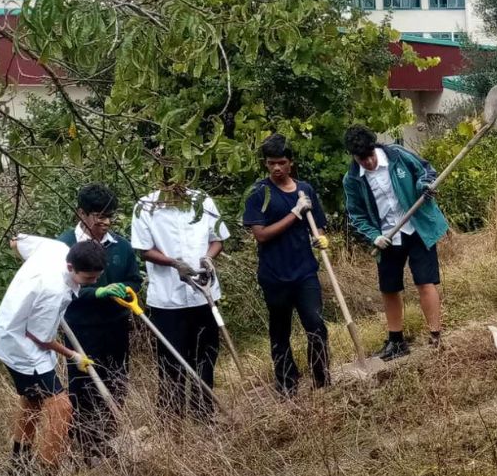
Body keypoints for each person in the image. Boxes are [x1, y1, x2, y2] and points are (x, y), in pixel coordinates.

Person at [0, 235, 107, 476]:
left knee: (32, 401)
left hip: (12, 332)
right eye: (88, 278)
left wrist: (24, 282)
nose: (93, 282)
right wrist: (74, 355)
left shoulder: (56, 248)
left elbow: (16, 242)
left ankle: (18, 467)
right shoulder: (54, 290)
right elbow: (40, 337)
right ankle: (46, 474)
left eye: (97, 277)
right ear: (70, 267)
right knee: (61, 407)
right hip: (19, 345)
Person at [342, 125, 448, 360]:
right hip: (387, 237)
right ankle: (396, 341)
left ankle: (436, 336)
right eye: (362, 159)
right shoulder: (352, 180)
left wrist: (424, 187)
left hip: (417, 227)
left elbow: (426, 171)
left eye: (370, 156)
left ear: (375, 147)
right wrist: (373, 236)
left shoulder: (397, 155)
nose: (368, 162)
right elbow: (356, 214)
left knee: (425, 281)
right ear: (354, 156)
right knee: (389, 288)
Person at [242, 134, 332, 395]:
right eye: (271, 163)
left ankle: (322, 380)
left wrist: (321, 238)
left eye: (281, 162)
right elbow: (261, 234)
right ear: (266, 164)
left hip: (305, 271)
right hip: (274, 275)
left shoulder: (305, 190)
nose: (277, 168)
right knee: (280, 332)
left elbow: (319, 225)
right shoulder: (259, 194)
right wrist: (294, 214)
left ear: (291, 163)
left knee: (316, 326)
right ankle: (286, 385)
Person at [131, 181, 229, 419]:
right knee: (171, 358)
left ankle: (203, 411)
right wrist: (174, 263)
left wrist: (207, 258)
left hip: (203, 293)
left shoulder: (202, 200)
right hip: (168, 298)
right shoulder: (145, 207)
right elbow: (143, 250)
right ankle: (171, 416)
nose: (176, 185)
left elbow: (217, 238)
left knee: (206, 355)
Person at [58, 184, 141, 457]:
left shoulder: (121, 247)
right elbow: (60, 287)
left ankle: (108, 437)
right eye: (98, 216)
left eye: (110, 216)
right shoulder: (64, 246)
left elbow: (134, 279)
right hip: (81, 328)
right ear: (82, 213)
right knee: (84, 386)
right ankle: (86, 445)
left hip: (116, 325)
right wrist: (97, 292)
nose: (105, 222)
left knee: (117, 380)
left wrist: (126, 290)